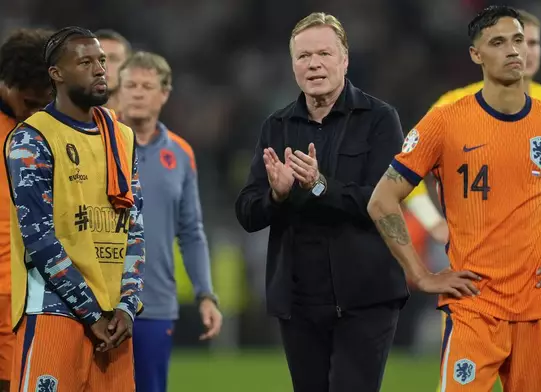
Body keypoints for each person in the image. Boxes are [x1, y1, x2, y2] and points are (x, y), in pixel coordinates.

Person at [368, 6, 541, 391]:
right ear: (476, 54)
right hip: (474, 309)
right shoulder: (445, 122)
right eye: (498, 42)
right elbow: (382, 201)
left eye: (519, 41)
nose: (514, 51)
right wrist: (420, 274)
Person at [235, 12, 408, 392]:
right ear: (293, 66)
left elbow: (383, 202)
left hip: (365, 298)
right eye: (303, 56)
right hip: (299, 302)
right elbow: (247, 211)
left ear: (345, 60)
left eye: (325, 54)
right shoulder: (276, 126)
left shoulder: (380, 120)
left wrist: (319, 185)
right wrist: (276, 194)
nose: (314, 64)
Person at [4, 26, 144, 391]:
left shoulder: (122, 136)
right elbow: (39, 237)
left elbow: (134, 227)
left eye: (101, 60)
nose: (100, 69)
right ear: (57, 74)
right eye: (85, 62)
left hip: (114, 321)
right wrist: (91, 311)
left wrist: (128, 305)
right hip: (55, 311)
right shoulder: (30, 138)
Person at [405, 9, 541, 250]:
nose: (520, 51)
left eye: (531, 42)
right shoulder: (452, 105)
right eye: (504, 42)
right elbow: (405, 169)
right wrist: (434, 224)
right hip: (473, 247)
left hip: (540, 246)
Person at [116, 50, 222, 392]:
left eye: (147, 85)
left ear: (164, 94)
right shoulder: (95, 142)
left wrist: (205, 293)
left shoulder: (180, 153)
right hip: (98, 301)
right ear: (118, 90)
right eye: (130, 84)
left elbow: (191, 232)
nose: (137, 92)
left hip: (155, 302)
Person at [0, 27, 53, 392]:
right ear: (6, 83)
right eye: (28, 101)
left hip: (25, 293)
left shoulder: (55, 130)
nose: (34, 112)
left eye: (42, 102)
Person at [95, 29, 131, 110]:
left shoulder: (142, 119)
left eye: (113, 59)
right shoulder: (66, 117)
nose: (104, 66)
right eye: (98, 59)